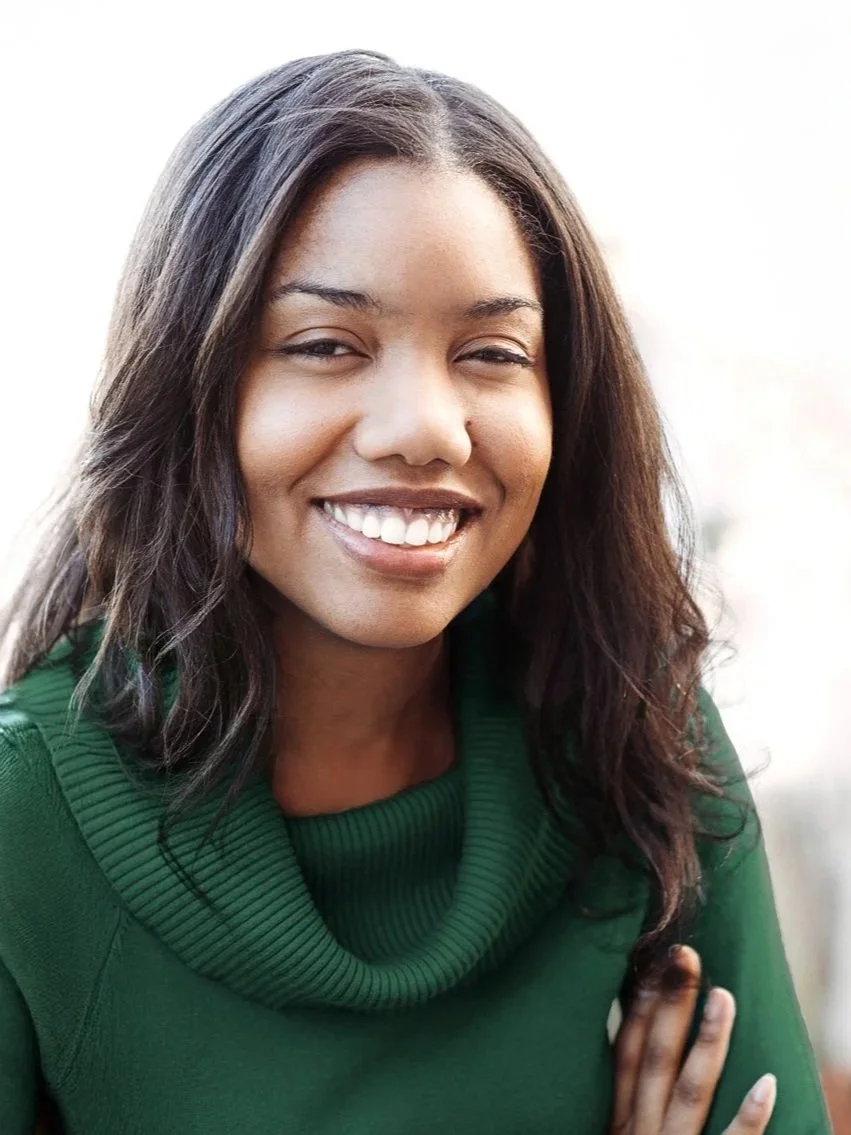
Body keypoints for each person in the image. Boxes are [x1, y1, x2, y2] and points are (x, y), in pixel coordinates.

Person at [0, 50, 829, 1134]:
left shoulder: (632, 738)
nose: (427, 428)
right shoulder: (29, 824)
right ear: (188, 385)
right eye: (324, 345)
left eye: (490, 352)